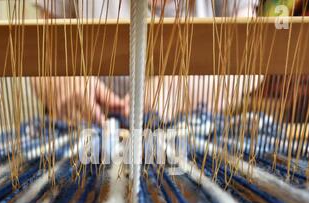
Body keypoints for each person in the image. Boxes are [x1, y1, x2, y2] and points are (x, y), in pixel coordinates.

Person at [34, 0, 260, 124]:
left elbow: (252, 58)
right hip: (91, 141)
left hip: (197, 143)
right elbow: (40, 54)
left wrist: (184, 90)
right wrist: (62, 83)